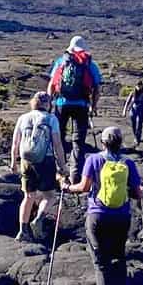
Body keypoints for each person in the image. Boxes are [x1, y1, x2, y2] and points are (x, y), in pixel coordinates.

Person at [69, 126, 143, 285]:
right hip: (122, 217)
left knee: (100, 261)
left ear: (103, 142)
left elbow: (84, 187)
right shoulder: (128, 162)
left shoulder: (93, 159)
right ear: (120, 142)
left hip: (98, 215)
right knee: (118, 255)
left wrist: (67, 187)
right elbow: (137, 192)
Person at [46, 35, 103, 184]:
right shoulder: (90, 63)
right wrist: (94, 105)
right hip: (81, 105)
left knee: (59, 138)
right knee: (78, 141)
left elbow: (52, 84)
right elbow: (97, 88)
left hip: (61, 104)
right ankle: (75, 175)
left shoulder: (61, 61)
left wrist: (49, 103)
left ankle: (60, 174)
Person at [9, 90, 63, 243]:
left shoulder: (23, 118)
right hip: (46, 160)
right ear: (48, 104)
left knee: (28, 196)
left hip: (26, 161)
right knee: (50, 196)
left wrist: (14, 162)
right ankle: (38, 219)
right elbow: (57, 144)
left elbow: (15, 144)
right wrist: (62, 166)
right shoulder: (51, 118)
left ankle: (22, 231)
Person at [125, 83, 143, 147]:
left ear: (142, 86)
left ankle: (137, 139)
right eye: (138, 86)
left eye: (140, 86)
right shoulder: (133, 93)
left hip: (141, 111)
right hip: (133, 111)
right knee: (133, 125)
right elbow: (128, 101)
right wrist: (124, 110)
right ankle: (135, 136)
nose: (139, 87)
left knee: (139, 125)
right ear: (136, 86)